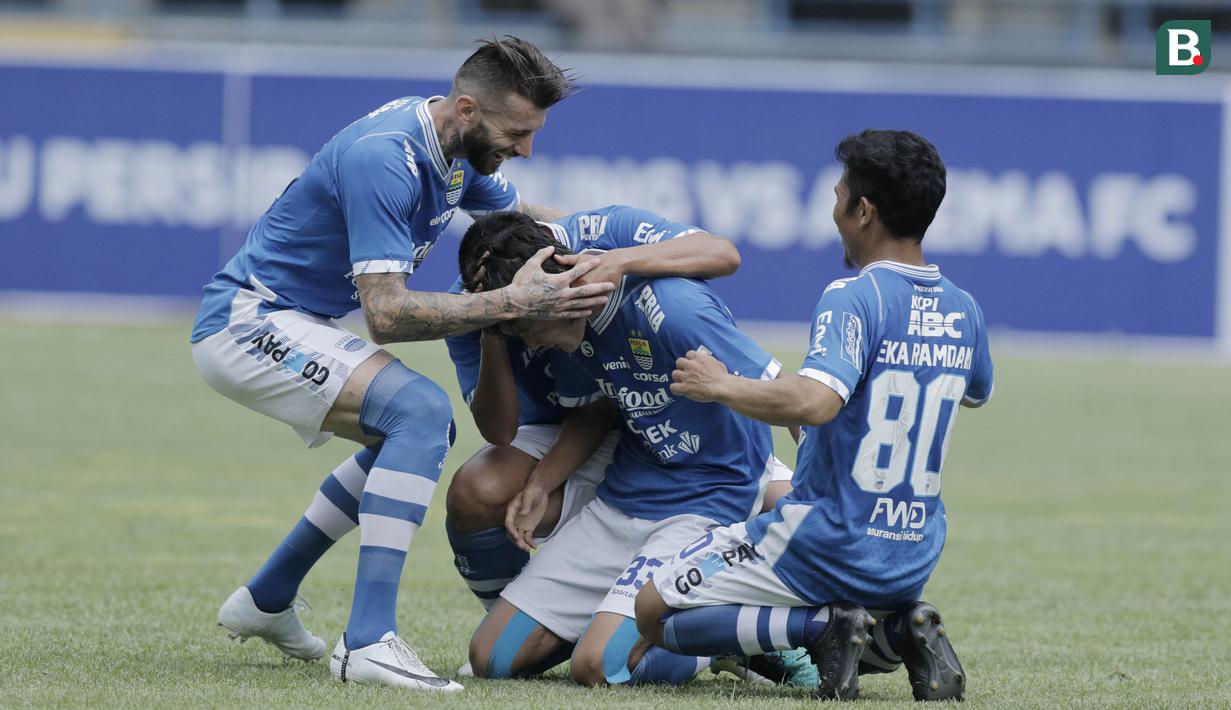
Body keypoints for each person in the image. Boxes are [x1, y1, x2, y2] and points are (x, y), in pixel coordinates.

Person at [190, 36, 610, 692]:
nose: (526, 149)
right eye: (518, 132)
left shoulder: (455, 144)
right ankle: (367, 643)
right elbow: (386, 314)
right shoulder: (385, 158)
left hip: (294, 319)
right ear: (467, 109)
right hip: (248, 322)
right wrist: (511, 301)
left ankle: (267, 599)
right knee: (419, 409)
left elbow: (525, 215)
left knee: (417, 430)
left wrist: (636, 243)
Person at [633, 129, 993, 701]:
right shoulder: (965, 308)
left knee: (653, 616)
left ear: (864, 210)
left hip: (827, 540)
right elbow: (973, 392)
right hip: (911, 552)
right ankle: (900, 629)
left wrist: (720, 384)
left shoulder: (856, 295)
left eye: (838, 196)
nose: (834, 212)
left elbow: (814, 403)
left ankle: (821, 628)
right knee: (854, 628)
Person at [453, 219, 803, 688]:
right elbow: (595, 411)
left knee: (595, 667)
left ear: (566, 282)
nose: (529, 344)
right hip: (626, 493)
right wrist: (541, 484)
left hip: (708, 500)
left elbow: (792, 396)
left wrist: (824, 491)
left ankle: (719, 633)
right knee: (490, 658)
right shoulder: (571, 332)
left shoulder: (674, 309)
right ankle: (632, 620)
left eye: (529, 326)